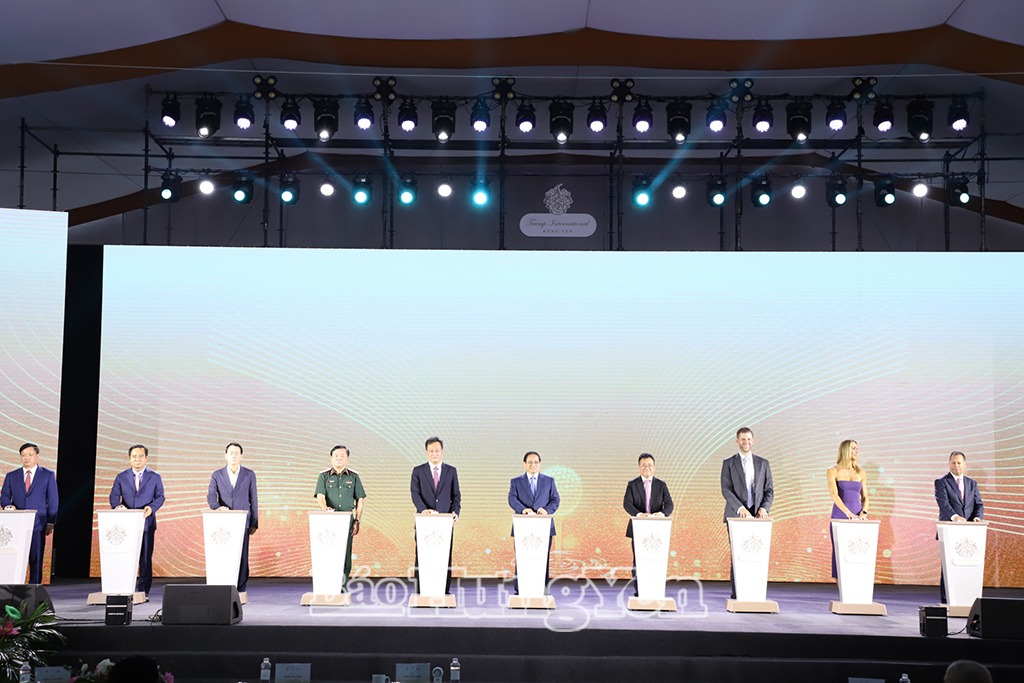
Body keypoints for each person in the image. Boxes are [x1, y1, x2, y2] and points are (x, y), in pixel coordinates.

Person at [720, 427, 774, 599]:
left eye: (749, 439)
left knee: (756, 553)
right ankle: (738, 592)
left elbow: (769, 490)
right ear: (737, 441)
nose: (746, 442)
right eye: (743, 439)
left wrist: (764, 508)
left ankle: (755, 591)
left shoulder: (763, 463)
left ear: (753, 441)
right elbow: (726, 489)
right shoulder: (728, 463)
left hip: (758, 516)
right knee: (739, 554)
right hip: (736, 515)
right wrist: (740, 508)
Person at [109, 444, 165, 596]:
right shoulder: (121, 477)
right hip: (125, 524)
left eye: (141, 456)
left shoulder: (155, 477)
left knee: (145, 558)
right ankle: (124, 588)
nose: (137, 459)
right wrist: (118, 506)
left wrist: (151, 508)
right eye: (134, 456)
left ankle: (143, 591)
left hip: (146, 522)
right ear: (129, 459)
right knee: (125, 557)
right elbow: (114, 496)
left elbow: (160, 497)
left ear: (146, 458)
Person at [1, 443, 58, 584]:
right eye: (23, 455)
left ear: (37, 456)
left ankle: (34, 588)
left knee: (36, 558)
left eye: (30, 455)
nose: (26, 458)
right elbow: (4, 495)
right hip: (16, 524)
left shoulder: (47, 475)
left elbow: (53, 500)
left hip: (37, 524)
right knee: (14, 558)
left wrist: (51, 521)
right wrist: (8, 505)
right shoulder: (11, 476)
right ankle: (12, 587)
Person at [410, 436, 461, 594]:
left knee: (444, 556)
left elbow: (456, 496)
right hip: (424, 521)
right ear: (426, 452)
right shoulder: (418, 471)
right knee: (422, 556)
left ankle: (444, 590)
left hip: (444, 522)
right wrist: (423, 510)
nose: (434, 454)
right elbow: (415, 494)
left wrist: (455, 513)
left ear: (442, 452)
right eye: (431, 451)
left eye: (437, 451)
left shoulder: (451, 471)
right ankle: (420, 590)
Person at [207, 442, 259, 594]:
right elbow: (211, 495)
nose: (234, 456)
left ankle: (241, 589)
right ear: (225, 455)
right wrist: (217, 507)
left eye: (237, 453)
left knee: (242, 555)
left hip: (243, 521)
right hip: (224, 522)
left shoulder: (249, 474)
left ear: (241, 456)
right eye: (231, 453)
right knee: (225, 555)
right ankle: (224, 586)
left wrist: (254, 521)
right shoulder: (217, 474)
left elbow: (254, 499)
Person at [314, 445, 366, 591]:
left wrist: (357, 520)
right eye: (336, 455)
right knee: (328, 553)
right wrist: (324, 508)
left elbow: (360, 500)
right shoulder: (324, 476)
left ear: (347, 459)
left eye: (342, 456)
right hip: (329, 520)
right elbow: (320, 495)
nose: (339, 458)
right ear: (331, 458)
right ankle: (327, 585)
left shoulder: (353, 477)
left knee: (345, 554)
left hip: (347, 520)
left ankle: (342, 586)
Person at [508, 451, 560, 594]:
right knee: (522, 558)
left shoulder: (549, 481)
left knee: (543, 558)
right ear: (525, 464)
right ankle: (521, 589)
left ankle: (542, 589)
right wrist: (523, 510)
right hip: (523, 526)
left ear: (540, 464)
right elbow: (512, 499)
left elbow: (555, 499)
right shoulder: (516, 481)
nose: (533, 465)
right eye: (530, 462)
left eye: (536, 462)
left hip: (544, 526)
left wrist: (547, 510)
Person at [935, 450, 984, 603]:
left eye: (959, 463)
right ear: (949, 464)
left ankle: (968, 598)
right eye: (953, 462)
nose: (956, 465)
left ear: (965, 464)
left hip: (969, 531)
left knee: (967, 564)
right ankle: (947, 600)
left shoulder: (972, 483)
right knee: (948, 565)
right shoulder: (941, 482)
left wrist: (977, 517)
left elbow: (978, 504)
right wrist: (955, 517)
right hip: (949, 529)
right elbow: (943, 503)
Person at [623, 453, 673, 594]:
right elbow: (627, 504)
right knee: (639, 561)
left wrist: (661, 514)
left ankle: (655, 590)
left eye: (650, 465)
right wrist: (639, 515)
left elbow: (669, 505)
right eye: (644, 465)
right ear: (639, 467)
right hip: (638, 528)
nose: (647, 468)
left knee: (656, 560)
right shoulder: (632, 485)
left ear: (654, 467)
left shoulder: (661, 485)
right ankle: (640, 592)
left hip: (658, 529)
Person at [827, 439, 870, 579]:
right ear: (845, 450)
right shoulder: (832, 471)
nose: (857, 451)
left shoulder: (861, 472)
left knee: (857, 551)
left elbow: (865, 497)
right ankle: (842, 587)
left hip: (858, 516)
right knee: (840, 552)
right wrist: (848, 513)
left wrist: (863, 513)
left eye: (857, 448)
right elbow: (834, 495)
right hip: (840, 514)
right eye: (853, 448)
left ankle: (856, 583)